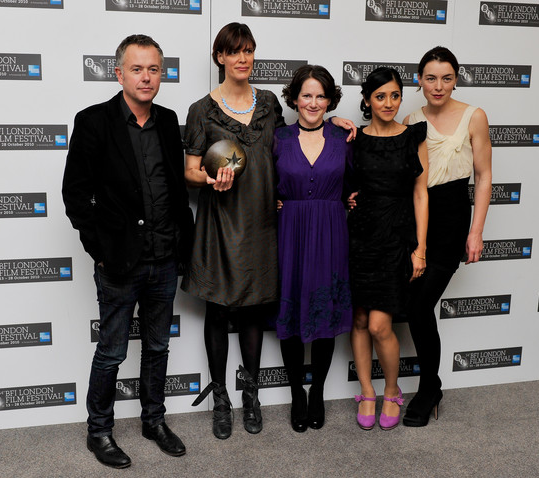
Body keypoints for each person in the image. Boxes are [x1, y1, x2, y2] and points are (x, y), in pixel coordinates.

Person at [183, 23, 355, 440]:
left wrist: (337, 120)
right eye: (233, 51)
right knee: (218, 310)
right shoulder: (200, 110)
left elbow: (299, 139)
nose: (243, 58)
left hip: (263, 223)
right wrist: (209, 180)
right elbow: (190, 170)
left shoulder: (270, 107)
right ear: (220, 57)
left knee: (255, 311)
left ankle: (252, 395)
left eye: (249, 51)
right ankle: (221, 397)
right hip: (221, 222)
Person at [62, 34, 194, 468]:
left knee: (157, 348)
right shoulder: (94, 121)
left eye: (153, 69)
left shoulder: (169, 119)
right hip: (119, 262)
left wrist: (180, 244)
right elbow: (76, 196)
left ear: (162, 74)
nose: (146, 77)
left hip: (164, 259)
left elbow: (174, 191)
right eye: (136, 69)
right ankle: (99, 431)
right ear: (118, 73)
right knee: (113, 352)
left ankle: (153, 420)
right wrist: (99, 249)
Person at [402, 46, 492, 427]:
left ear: (457, 78)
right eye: (431, 77)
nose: (439, 86)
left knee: (420, 306)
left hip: (454, 216)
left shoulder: (474, 116)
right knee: (415, 306)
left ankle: (428, 389)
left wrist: (476, 233)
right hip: (418, 216)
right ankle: (432, 384)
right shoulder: (410, 118)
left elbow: (484, 176)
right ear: (419, 80)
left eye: (447, 77)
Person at [273, 65, 353, 433]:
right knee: (290, 316)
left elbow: (359, 182)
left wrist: (352, 198)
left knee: (324, 313)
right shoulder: (278, 138)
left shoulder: (344, 138)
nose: (313, 102)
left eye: (321, 95)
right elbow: (263, 185)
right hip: (289, 233)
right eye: (306, 95)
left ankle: (317, 390)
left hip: (331, 233)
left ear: (330, 100)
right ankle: (296, 392)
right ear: (294, 98)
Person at [348, 67, 429, 431]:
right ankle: (366, 391)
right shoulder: (353, 138)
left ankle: (392, 390)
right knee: (360, 320)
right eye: (380, 96)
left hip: (396, 238)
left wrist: (420, 248)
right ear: (367, 99)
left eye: (394, 95)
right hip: (359, 237)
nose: (388, 103)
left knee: (381, 324)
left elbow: (420, 193)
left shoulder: (414, 136)